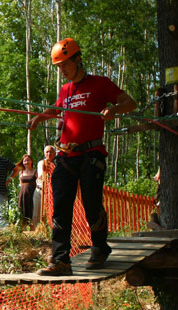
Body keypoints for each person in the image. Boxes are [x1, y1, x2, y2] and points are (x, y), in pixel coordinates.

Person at [28, 37, 137, 275]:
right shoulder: (65, 90)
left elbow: (130, 102)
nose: (63, 71)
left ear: (78, 59)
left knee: (91, 204)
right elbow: (57, 109)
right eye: (59, 67)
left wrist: (113, 110)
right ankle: (61, 260)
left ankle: (99, 248)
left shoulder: (100, 83)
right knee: (61, 207)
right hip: (67, 156)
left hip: (91, 154)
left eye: (65, 65)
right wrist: (38, 118)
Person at [33, 145, 56, 225]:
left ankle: (50, 228)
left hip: (52, 191)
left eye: (51, 152)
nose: (49, 154)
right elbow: (42, 176)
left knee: (50, 211)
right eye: (47, 152)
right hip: (40, 190)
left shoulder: (58, 164)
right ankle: (37, 229)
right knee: (37, 211)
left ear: (55, 153)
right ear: (44, 153)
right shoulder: (41, 163)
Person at [15, 154, 37, 229]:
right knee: (22, 209)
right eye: (24, 161)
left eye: (28, 160)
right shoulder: (21, 172)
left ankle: (32, 227)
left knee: (32, 209)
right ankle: (23, 228)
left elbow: (38, 182)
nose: (26, 162)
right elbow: (21, 184)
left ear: (31, 161)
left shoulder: (35, 171)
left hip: (32, 193)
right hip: (23, 194)